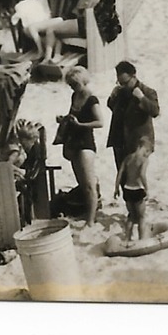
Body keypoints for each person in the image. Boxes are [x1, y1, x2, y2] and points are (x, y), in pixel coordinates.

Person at [56, 66, 105, 225]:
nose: (73, 87)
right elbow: (74, 115)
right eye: (71, 85)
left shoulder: (92, 99)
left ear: (83, 81)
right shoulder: (74, 96)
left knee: (89, 185)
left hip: (85, 144)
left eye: (75, 84)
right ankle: (89, 213)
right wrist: (64, 118)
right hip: (74, 142)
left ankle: (90, 221)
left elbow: (100, 122)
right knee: (82, 184)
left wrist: (80, 124)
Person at [106, 61, 160, 198]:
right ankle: (130, 209)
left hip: (139, 139)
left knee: (136, 175)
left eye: (125, 82)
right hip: (119, 137)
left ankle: (139, 209)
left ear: (134, 76)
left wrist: (141, 98)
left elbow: (155, 111)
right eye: (119, 82)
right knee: (122, 174)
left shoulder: (147, 91)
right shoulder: (120, 91)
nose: (122, 86)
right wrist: (112, 98)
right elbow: (113, 108)